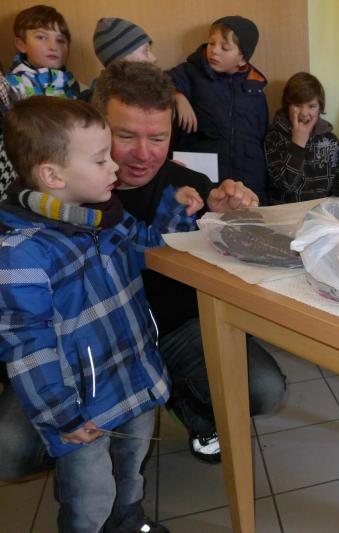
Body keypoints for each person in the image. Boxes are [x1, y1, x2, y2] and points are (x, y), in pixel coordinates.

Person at [0, 96, 202, 532]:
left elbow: (145, 244)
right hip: (82, 405)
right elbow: (27, 346)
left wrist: (174, 212)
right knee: (90, 494)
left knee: (131, 468)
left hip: (132, 377)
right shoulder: (23, 252)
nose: (115, 167)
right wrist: (61, 415)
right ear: (53, 176)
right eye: (100, 159)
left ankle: (128, 521)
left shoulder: (105, 216)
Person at [93, 60, 286, 462]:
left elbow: (238, 249)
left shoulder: (191, 187)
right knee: (13, 446)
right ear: (97, 129)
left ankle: (183, 400)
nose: (143, 154)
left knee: (263, 388)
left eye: (158, 138)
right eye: (125, 136)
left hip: (176, 333)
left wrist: (230, 216)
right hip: (99, 343)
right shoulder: (70, 194)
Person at [170, 15, 269, 203]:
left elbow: (261, 137)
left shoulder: (255, 89)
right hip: (204, 178)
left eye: (225, 47)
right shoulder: (192, 72)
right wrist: (178, 96)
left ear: (242, 59)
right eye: (211, 43)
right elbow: (161, 82)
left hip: (248, 179)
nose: (214, 51)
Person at [265, 72, 339, 204]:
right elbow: (283, 186)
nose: (304, 113)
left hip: (323, 213)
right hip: (287, 213)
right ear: (287, 106)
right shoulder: (274, 138)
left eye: (311, 106)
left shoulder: (331, 142)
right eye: (297, 105)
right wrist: (297, 145)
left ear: (320, 107)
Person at [4, 4, 81, 100]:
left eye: (60, 40)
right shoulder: (12, 86)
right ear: (21, 44)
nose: (53, 47)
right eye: (41, 37)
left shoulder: (71, 82)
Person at [79, 17, 157, 102]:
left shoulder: (145, 89)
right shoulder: (110, 103)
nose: (154, 58)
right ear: (122, 60)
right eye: (145, 51)